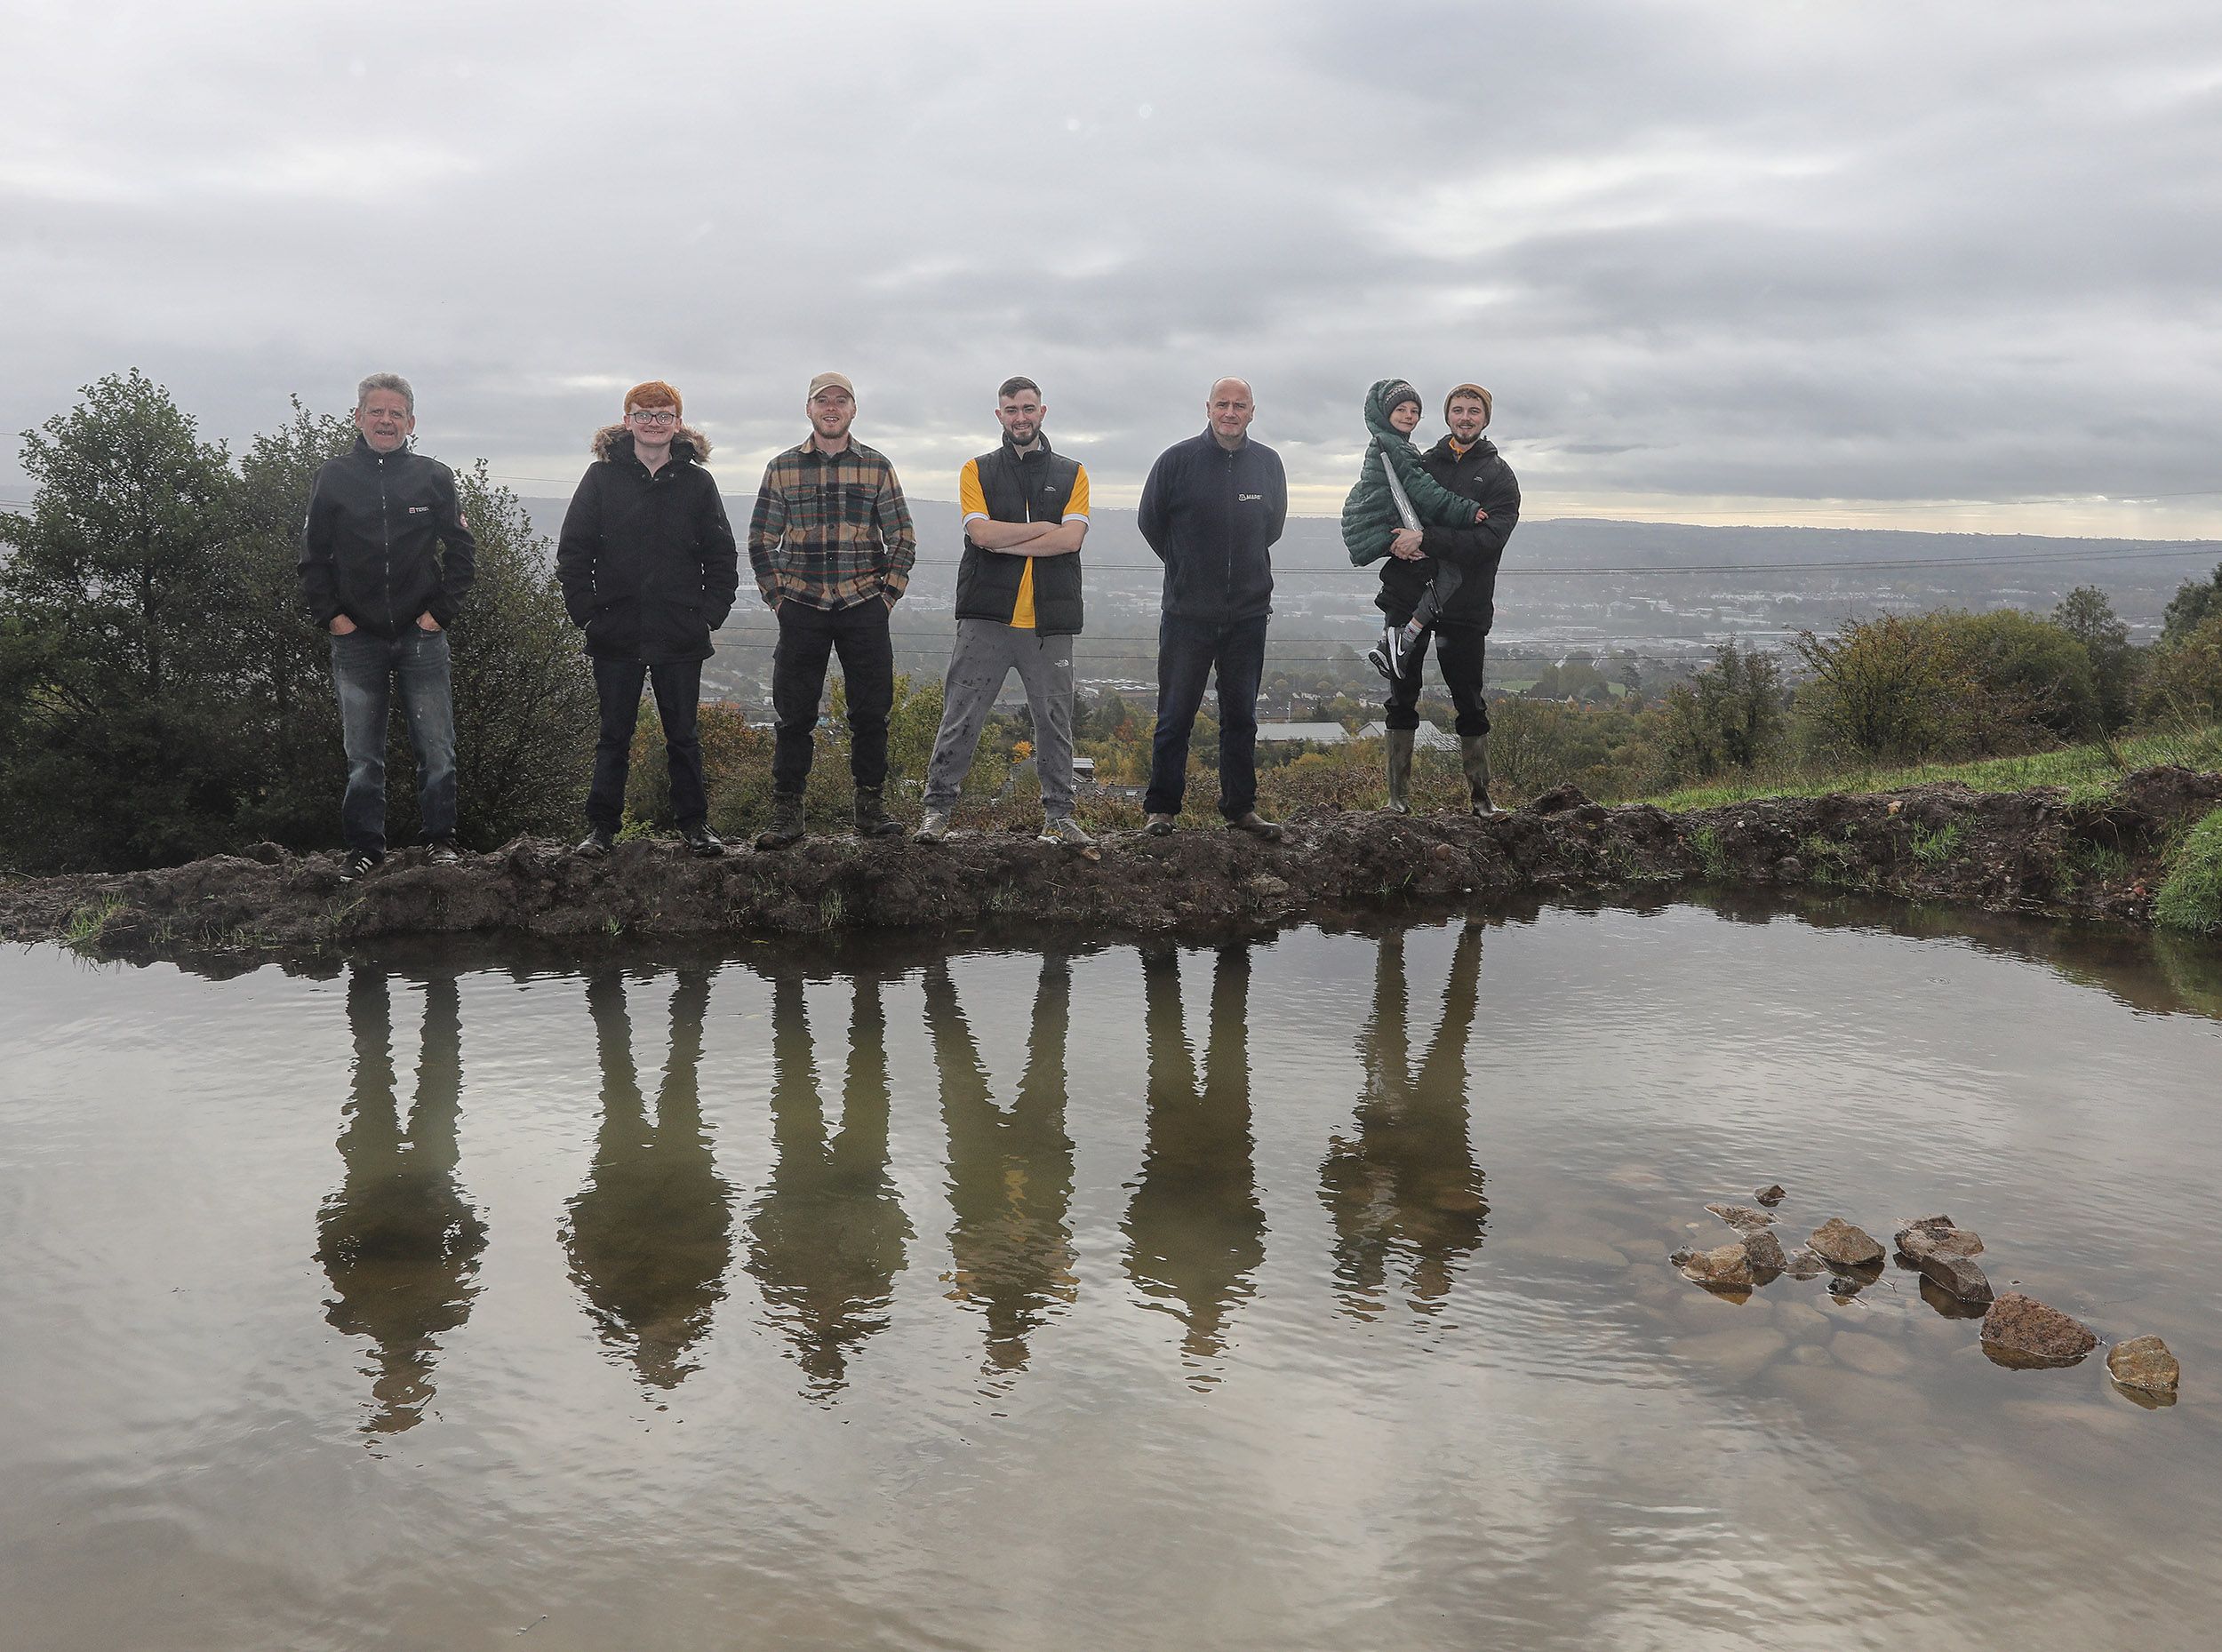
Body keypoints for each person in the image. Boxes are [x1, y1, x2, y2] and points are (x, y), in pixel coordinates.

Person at [300, 371, 476, 882]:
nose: (385, 420)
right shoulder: (333, 477)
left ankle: (441, 842)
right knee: (363, 757)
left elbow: (462, 552)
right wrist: (334, 619)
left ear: (411, 423)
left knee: (437, 750)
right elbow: (313, 557)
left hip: (422, 636)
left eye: (395, 413)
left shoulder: (433, 476)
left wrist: (439, 614)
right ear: (357, 417)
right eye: (375, 411)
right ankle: (364, 850)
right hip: (357, 639)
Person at [556, 380, 739, 858]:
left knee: (683, 735)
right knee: (613, 735)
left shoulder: (698, 482)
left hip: (680, 631)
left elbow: (722, 555)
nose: (654, 423)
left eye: (663, 415)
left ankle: (696, 827)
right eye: (644, 414)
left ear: (678, 423)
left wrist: (709, 615)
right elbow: (574, 550)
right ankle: (600, 831)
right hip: (615, 629)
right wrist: (587, 615)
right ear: (626, 420)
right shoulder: (600, 478)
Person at [915, 377, 1094, 850]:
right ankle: (936, 812)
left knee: (1055, 720)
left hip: (1048, 623)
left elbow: (1071, 540)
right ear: (1000, 416)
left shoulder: (1073, 472)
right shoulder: (976, 470)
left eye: (1028, 408)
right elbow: (982, 537)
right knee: (961, 714)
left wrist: (1009, 537)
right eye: (1011, 409)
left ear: (1042, 412)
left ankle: (1060, 815)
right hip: (986, 617)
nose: (1021, 417)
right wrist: (1040, 530)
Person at [747, 371, 917, 850]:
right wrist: (776, 599)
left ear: (853, 410)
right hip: (800, 605)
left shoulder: (877, 466)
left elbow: (902, 535)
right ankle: (787, 813)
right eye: (823, 401)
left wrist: (888, 597)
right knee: (793, 716)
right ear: (809, 409)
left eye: (841, 401)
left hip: (864, 605)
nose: (832, 408)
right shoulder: (781, 468)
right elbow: (761, 538)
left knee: (871, 713)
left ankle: (871, 808)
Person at [1137, 377, 1288, 841]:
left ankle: (1240, 808)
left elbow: (1273, 527)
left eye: (1238, 405)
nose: (1230, 412)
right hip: (1187, 615)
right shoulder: (1177, 461)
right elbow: (1150, 522)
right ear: (1207, 408)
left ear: (1252, 411)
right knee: (1175, 715)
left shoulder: (1267, 463)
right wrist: (1188, 568)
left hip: (1247, 614)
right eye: (1222, 404)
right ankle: (1161, 810)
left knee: (1241, 717)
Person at [1376, 383, 1520, 815]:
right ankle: (1397, 800)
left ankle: (1481, 799)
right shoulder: (1422, 464)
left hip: (1465, 605)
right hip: (1408, 596)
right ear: (1447, 416)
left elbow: (1489, 540)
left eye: (1474, 410)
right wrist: (1397, 541)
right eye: (1457, 409)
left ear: (1485, 418)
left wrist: (1429, 538)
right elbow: (1389, 513)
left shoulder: (1500, 477)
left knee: (1468, 699)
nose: (1465, 417)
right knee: (1401, 693)